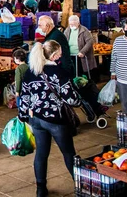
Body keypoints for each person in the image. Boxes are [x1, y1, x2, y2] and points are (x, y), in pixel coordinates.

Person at [18, 40, 81, 197]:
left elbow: (25, 97)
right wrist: (80, 98)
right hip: (56, 120)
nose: (60, 57)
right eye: (59, 54)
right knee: (68, 153)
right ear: (53, 55)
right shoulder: (58, 73)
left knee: (41, 153)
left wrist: (23, 115)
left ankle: (40, 189)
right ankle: (80, 184)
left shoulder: (30, 71)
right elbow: (72, 99)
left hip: (37, 120)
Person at [64, 15, 97, 80]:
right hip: (70, 56)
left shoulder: (84, 30)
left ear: (78, 23)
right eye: (70, 24)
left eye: (73, 24)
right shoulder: (67, 30)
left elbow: (90, 42)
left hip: (81, 56)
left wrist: (83, 52)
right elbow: (64, 41)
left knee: (82, 73)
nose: (72, 26)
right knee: (72, 73)